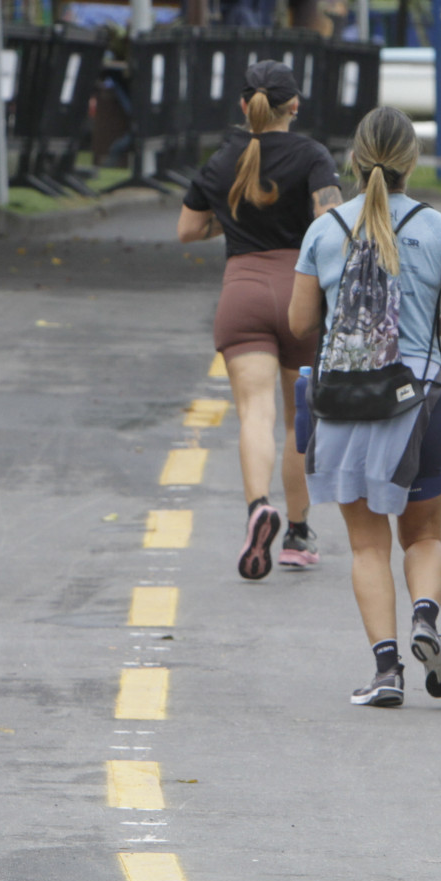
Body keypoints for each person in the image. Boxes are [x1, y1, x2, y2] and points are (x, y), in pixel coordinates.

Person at [288, 107, 441, 707]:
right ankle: (425, 615)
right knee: (423, 535)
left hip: (344, 402)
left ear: (353, 160)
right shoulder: (438, 227)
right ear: (412, 162)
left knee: (367, 545)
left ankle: (386, 672)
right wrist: (428, 330)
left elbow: (299, 323)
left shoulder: (324, 230)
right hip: (417, 398)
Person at [177, 61, 342, 579]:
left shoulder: (222, 159)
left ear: (244, 105)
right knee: (299, 419)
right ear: (294, 105)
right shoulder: (313, 156)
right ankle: (297, 533)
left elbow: (187, 229)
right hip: (300, 297)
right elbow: (330, 223)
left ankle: (257, 507)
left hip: (242, 293)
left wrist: (231, 224)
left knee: (254, 414)